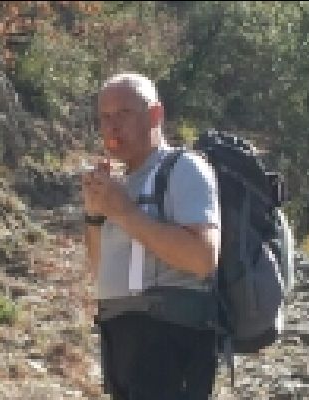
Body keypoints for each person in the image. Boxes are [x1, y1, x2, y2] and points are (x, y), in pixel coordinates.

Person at [81, 73, 223, 399]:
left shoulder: (185, 168)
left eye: (124, 114)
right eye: (105, 117)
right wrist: (95, 214)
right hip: (121, 338)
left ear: (156, 115)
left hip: (170, 338)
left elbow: (203, 258)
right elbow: (100, 270)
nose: (112, 127)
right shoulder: (121, 183)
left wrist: (125, 213)